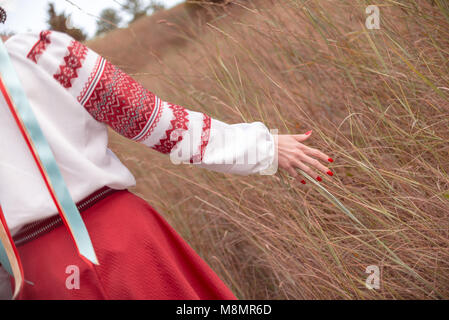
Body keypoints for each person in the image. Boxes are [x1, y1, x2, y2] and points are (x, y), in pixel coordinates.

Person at [0, 24, 334, 299]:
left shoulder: (44, 53)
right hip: (124, 242)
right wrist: (263, 148)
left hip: (40, 277)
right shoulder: (44, 53)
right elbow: (157, 124)